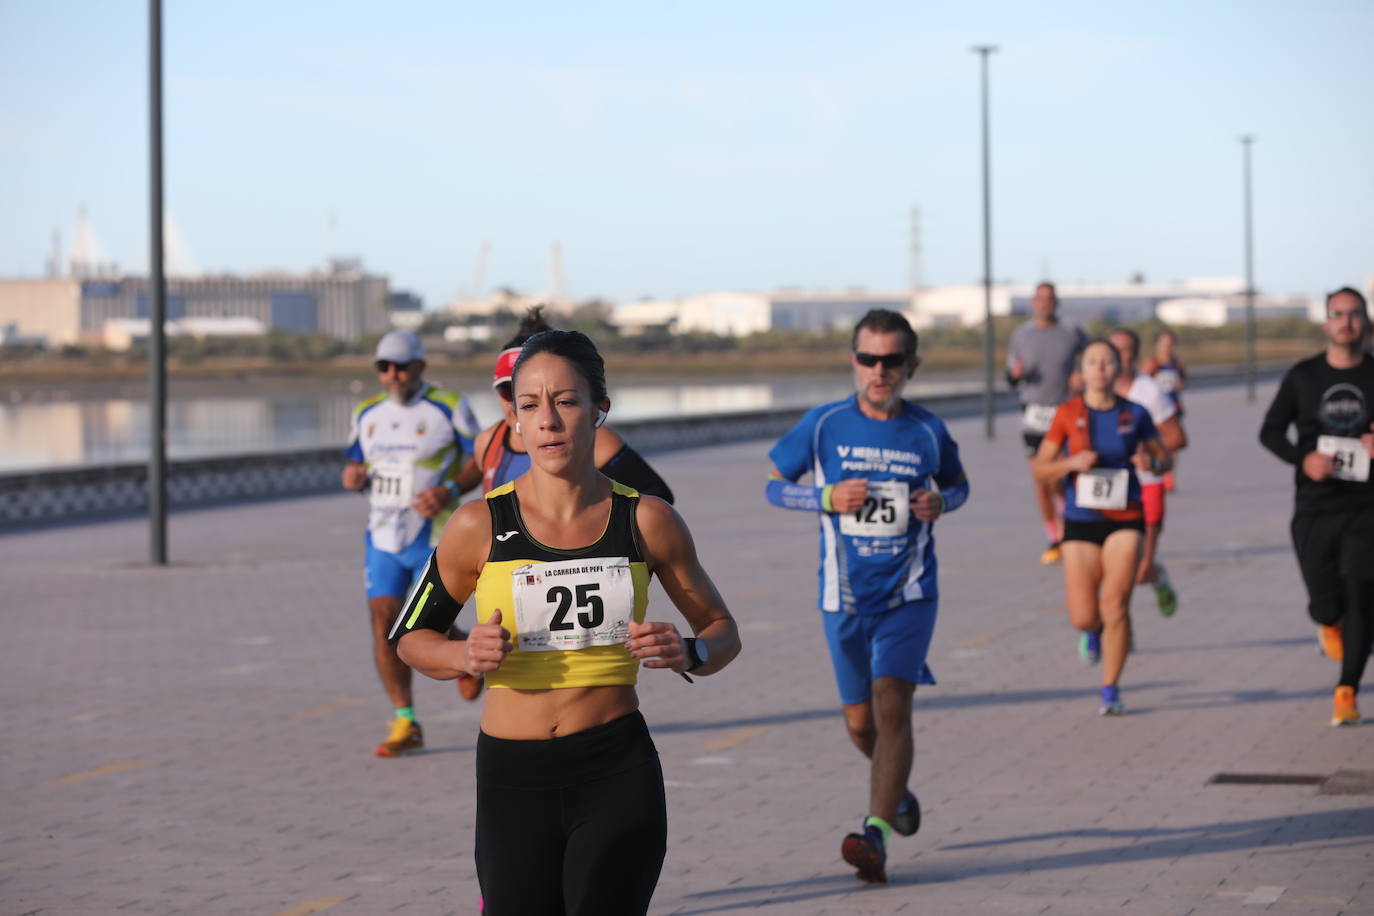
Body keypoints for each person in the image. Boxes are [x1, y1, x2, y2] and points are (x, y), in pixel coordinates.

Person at [389, 330, 741, 915]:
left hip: (615, 768)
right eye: (530, 405)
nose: (548, 420)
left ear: (600, 408)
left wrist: (689, 652)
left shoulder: (648, 521)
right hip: (511, 776)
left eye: (566, 401)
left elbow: (721, 629)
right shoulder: (477, 525)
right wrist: (463, 656)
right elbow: (410, 637)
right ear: (515, 420)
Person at [765, 309, 969, 884]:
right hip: (842, 595)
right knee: (860, 725)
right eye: (868, 359)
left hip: (910, 593)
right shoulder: (825, 424)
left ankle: (874, 834)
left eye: (892, 360)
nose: (880, 371)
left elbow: (959, 484)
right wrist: (826, 498)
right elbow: (775, 486)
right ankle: (897, 797)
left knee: (892, 706)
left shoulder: (928, 429)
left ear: (912, 365)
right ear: (854, 361)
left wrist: (942, 504)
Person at [342, 330, 484, 757]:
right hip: (383, 536)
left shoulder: (449, 406)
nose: (393, 375)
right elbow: (355, 463)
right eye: (384, 367)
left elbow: (480, 458)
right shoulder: (366, 412)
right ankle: (406, 721)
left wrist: (450, 491)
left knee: (424, 619)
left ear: (421, 366)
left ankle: (462, 650)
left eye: (401, 366)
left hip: (434, 535)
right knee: (384, 624)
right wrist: (352, 477)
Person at [1032, 339, 1171, 716]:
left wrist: (1152, 462)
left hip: (1126, 518)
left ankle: (1111, 687)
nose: (1101, 369)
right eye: (1093, 362)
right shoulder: (1067, 412)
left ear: (1117, 368)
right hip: (1081, 520)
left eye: (1108, 362)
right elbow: (1040, 468)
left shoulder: (1135, 413)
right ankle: (1092, 632)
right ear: (1082, 371)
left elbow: (1164, 459)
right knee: (1084, 616)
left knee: (1115, 604)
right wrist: (1070, 464)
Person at [1259, 287, 1374, 727]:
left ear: (1364, 321)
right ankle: (1328, 622)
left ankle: (1347, 691)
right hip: (1315, 507)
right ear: (1326, 323)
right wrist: (1302, 459)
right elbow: (1269, 432)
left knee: (1361, 593)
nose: (1346, 321)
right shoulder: (1303, 377)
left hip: (1366, 506)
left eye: (1354, 314)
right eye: (1338, 314)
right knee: (1327, 604)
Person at [458, 307, 674, 501]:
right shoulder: (488, 441)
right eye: (523, 399)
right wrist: (447, 490)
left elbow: (657, 497)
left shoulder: (597, 440)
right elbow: (474, 478)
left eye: (564, 402)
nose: (547, 419)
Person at [1109, 328, 1187, 617]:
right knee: (1111, 567)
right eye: (1113, 350)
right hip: (1109, 488)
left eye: (1126, 350)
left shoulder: (1150, 392)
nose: (1119, 357)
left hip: (1146, 484)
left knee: (1139, 570)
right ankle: (1108, 627)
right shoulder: (1093, 391)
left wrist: (1150, 453)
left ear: (1136, 355)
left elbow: (1178, 438)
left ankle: (1157, 577)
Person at [1007, 282, 1087, 564]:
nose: (1045, 303)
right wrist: (1015, 374)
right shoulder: (1022, 334)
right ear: (1033, 303)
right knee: (1041, 477)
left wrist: (1081, 375)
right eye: (1040, 299)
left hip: (1064, 409)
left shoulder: (1071, 333)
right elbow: (1010, 374)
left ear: (1056, 302)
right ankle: (1054, 534)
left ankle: (1069, 519)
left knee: (1061, 472)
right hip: (1034, 412)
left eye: (1049, 299)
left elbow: (1091, 358)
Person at [1142, 328, 1187, 490]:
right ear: (1157, 345)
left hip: (1172, 408)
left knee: (1174, 443)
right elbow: (1142, 382)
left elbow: (1183, 380)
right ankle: (1158, 471)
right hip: (1155, 409)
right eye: (1163, 343)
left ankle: (1169, 476)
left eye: (1170, 344)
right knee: (1156, 442)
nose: (1166, 347)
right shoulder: (1152, 363)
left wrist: (1180, 384)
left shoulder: (1176, 363)